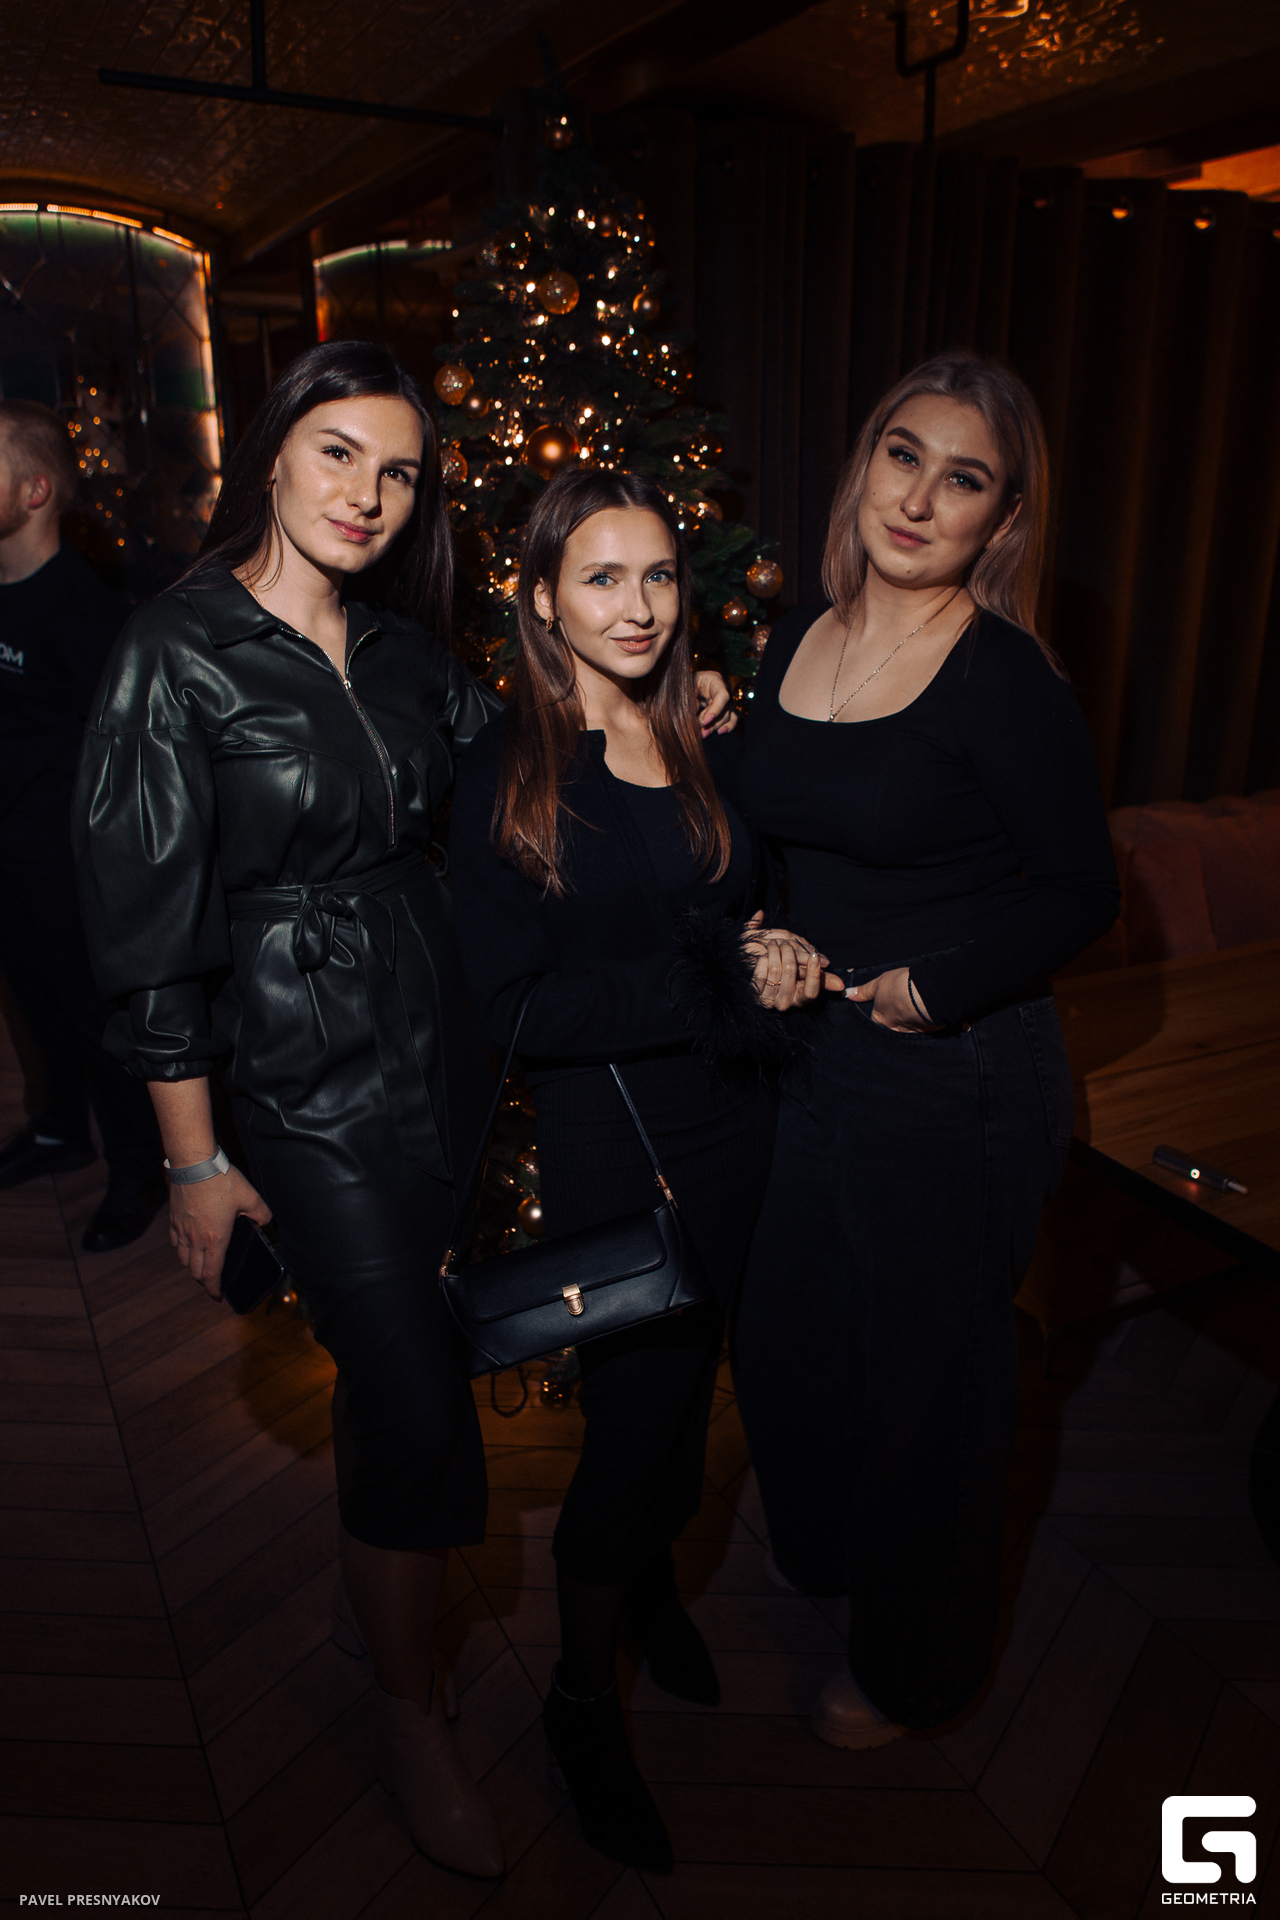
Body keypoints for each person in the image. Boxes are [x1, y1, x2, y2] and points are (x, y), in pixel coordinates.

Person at [72, 343, 737, 1879]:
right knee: (425, 1398)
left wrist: (663, 690)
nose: (367, 496)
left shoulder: (401, 651)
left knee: (402, 1372)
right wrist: (192, 1163)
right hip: (292, 1077)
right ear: (274, 454)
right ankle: (409, 1713)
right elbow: (146, 940)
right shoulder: (171, 653)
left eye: (399, 474)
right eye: (338, 455)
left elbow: (524, 747)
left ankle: (371, 1586)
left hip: (441, 1052)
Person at [733, 350, 1120, 1749]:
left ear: (999, 520)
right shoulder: (797, 636)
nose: (918, 498)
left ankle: (917, 1669)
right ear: (864, 465)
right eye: (903, 456)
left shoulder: (1003, 680)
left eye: (963, 480)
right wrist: (760, 921)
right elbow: (779, 832)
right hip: (802, 1062)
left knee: (929, 1395)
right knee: (783, 1341)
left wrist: (937, 987)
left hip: (949, 1077)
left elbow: (1081, 890)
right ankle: (833, 1559)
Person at [449, 468, 829, 1874]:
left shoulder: (701, 734)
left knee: (694, 1398)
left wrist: (772, 941)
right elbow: (515, 1008)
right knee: (632, 1432)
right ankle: (576, 1704)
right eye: (602, 578)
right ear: (544, 599)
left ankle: (656, 1588)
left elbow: (743, 897)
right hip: (621, 1145)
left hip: (746, 1124)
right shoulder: (510, 770)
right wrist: (709, 977)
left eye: (659, 575)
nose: (639, 605)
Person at [0, 398, 165, 1248]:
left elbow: (127, 760)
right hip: (8, 854)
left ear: (34, 491)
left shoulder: (84, 612)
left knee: (98, 1017)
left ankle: (139, 1170)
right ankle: (60, 1130)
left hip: (67, 861)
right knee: (30, 1002)